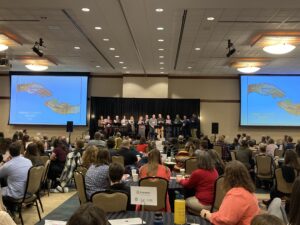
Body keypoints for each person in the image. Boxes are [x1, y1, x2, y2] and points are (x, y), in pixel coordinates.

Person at [200, 161, 260, 225]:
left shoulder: (236, 194)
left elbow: (225, 220)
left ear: (228, 177)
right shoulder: (248, 191)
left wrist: (207, 215)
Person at [0, 142, 32, 213]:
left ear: (9, 152)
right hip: (28, 191)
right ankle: (13, 208)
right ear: (20, 150)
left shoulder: (8, 165)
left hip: (16, 194)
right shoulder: (28, 161)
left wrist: (3, 161)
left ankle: (8, 212)